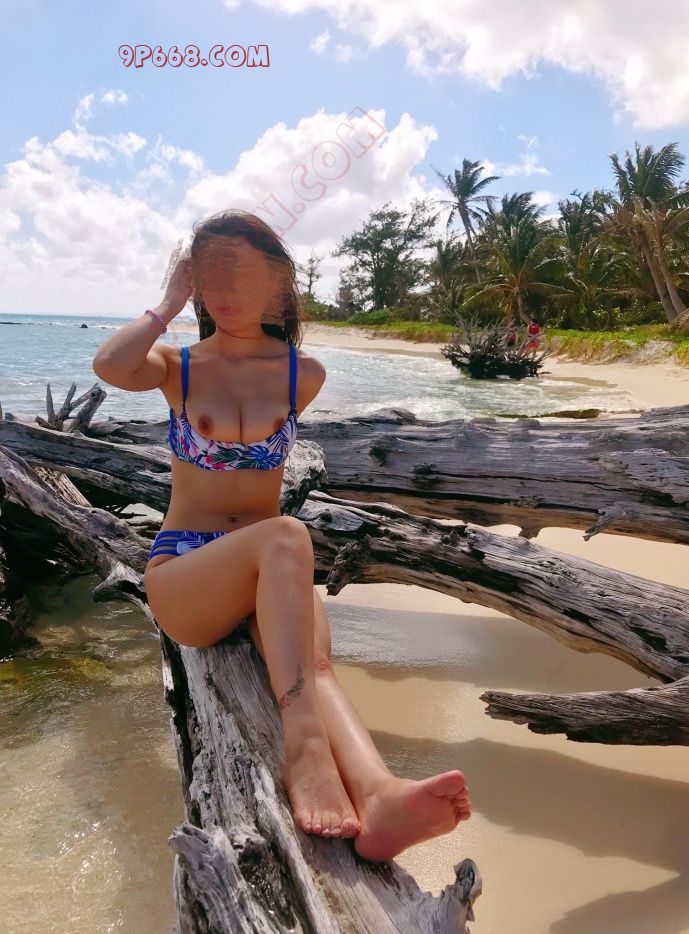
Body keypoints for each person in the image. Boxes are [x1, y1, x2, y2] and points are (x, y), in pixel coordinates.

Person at [92, 209, 471, 862]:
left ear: (277, 282)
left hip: (270, 572)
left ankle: (380, 796)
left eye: (237, 270)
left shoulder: (303, 375)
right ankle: (305, 750)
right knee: (287, 536)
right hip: (185, 573)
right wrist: (168, 303)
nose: (223, 287)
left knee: (316, 668)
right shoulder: (177, 367)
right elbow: (109, 364)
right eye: (209, 273)